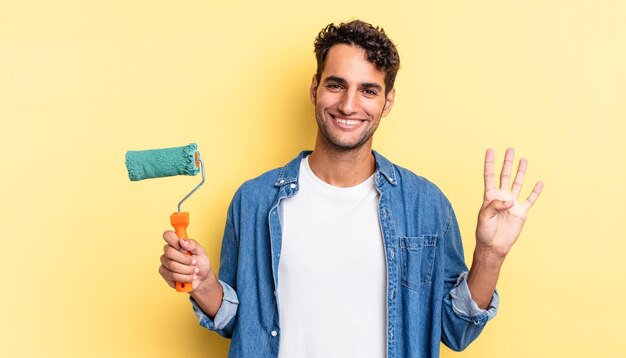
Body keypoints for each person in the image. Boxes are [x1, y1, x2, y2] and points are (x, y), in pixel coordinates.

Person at [158, 20, 543, 357]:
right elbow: (239, 326)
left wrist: (490, 256)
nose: (348, 104)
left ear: (388, 101)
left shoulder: (425, 204)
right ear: (315, 88)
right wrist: (204, 284)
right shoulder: (255, 201)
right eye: (336, 85)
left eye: (368, 90)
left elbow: (454, 331)